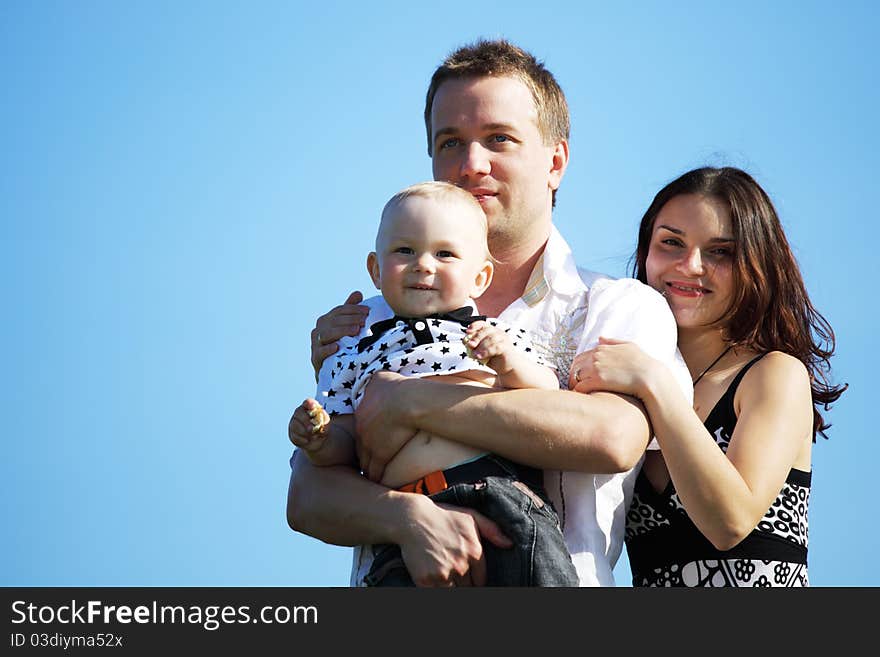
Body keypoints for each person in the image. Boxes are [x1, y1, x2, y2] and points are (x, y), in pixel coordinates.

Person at [287, 39, 692, 587]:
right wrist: (409, 519)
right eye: (450, 142)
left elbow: (611, 438)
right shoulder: (367, 322)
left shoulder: (616, 304)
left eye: (498, 139)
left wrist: (408, 400)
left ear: (555, 161)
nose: (471, 164)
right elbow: (308, 495)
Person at [290, 180, 578, 586]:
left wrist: (508, 363)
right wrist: (319, 440)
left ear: (479, 277)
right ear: (375, 269)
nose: (424, 264)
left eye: (445, 254)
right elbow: (345, 444)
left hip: (501, 495)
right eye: (405, 251)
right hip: (403, 516)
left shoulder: (493, 333)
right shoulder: (354, 351)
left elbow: (548, 396)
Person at [570, 166, 847, 586]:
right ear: (646, 252)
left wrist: (654, 381)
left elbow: (729, 523)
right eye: (671, 243)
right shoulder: (622, 381)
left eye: (720, 252)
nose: (691, 265)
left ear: (758, 264)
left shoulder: (772, 375)